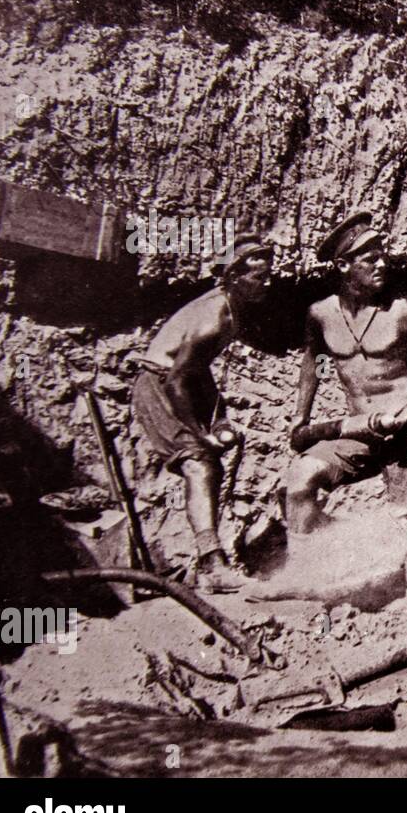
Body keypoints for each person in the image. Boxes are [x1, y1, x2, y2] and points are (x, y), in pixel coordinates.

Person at [285, 212, 407, 616]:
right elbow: (313, 363)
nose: (382, 264)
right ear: (343, 266)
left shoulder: (405, 313)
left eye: (382, 256)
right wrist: (300, 418)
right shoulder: (321, 314)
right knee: (299, 479)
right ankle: (304, 576)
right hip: (359, 430)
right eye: (369, 259)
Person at [131, 235, 274, 593]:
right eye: (260, 277)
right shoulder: (214, 315)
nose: (267, 283)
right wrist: (202, 431)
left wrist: (219, 417)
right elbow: (178, 378)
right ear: (235, 277)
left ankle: (207, 562)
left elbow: (199, 370)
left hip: (179, 383)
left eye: (268, 275)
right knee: (198, 463)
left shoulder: (231, 310)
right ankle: (212, 565)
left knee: (208, 464)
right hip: (159, 386)